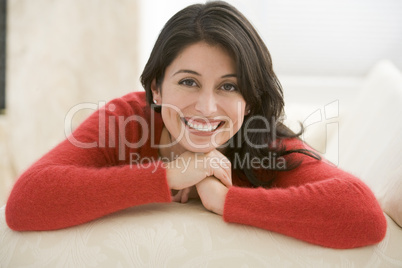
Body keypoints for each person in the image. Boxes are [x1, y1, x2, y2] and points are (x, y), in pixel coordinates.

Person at [6, 1, 386, 249]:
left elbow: (363, 215)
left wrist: (226, 200)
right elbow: (26, 201)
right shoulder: (125, 119)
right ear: (156, 87)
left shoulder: (260, 140)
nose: (206, 107)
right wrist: (171, 174)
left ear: (249, 99)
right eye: (188, 81)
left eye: (228, 86)